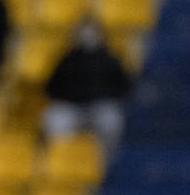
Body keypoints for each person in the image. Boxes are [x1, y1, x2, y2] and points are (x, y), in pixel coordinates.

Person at [43, 15, 132, 152]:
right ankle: (62, 158)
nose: (87, 35)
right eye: (83, 31)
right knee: (54, 119)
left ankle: (106, 160)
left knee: (111, 121)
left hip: (98, 107)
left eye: (91, 31)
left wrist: (103, 95)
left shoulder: (109, 58)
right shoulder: (67, 59)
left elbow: (123, 85)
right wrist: (69, 97)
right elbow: (51, 86)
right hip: (72, 107)